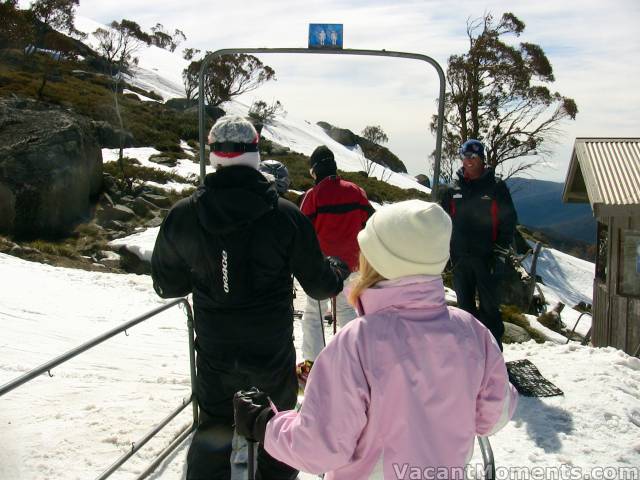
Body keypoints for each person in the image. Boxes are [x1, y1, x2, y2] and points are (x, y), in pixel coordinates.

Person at [233, 200, 518, 479]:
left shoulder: (359, 343)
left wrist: (265, 424)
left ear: (380, 261)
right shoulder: (472, 332)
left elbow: (320, 448)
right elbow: (493, 415)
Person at [150, 115, 350, 480]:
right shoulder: (285, 216)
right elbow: (321, 286)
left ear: (214, 156)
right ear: (255, 155)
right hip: (270, 353)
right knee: (276, 434)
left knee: (214, 430)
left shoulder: (185, 215)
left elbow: (167, 285)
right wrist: (337, 268)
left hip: (215, 352)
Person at [297, 145, 374, 383]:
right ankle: (351, 363)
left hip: (322, 267)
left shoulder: (313, 196)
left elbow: (302, 231)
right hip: (351, 264)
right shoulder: (356, 191)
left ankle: (313, 365)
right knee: (346, 310)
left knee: (314, 314)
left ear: (315, 170)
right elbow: (370, 222)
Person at [439, 139, 517, 349]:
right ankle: (468, 356)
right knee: (464, 310)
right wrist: (444, 253)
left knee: (490, 309)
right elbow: (442, 221)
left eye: (473, 157)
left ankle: (494, 355)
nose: (469, 161)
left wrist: (499, 252)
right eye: (465, 157)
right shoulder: (452, 189)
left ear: (482, 159)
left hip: (487, 259)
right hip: (459, 259)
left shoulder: (496, 187)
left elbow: (508, 221)